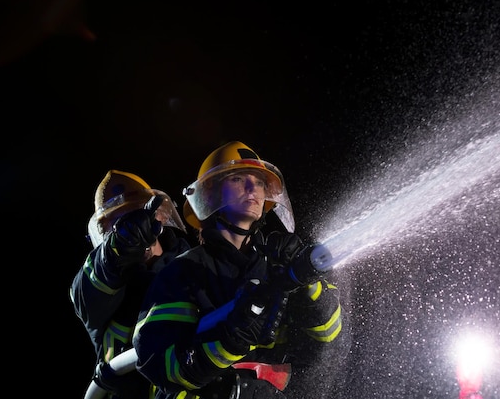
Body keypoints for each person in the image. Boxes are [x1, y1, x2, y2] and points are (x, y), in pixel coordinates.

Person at [132, 141, 344, 399]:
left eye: (258, 182)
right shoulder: (184, 271)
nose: (251, 187)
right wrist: (228, 342)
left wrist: (303, 279)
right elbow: (157, 363)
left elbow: (329, 332)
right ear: (210, 195)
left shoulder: (274, 263)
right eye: (238, 178)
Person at [70, 169, 192, 399]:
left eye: (136, 215)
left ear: (158, 216)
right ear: (106, 235)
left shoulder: (194, 266)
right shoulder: (101, 286)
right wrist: (118, 250)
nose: (134, 229)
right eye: (119, 225)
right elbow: (87, 290)